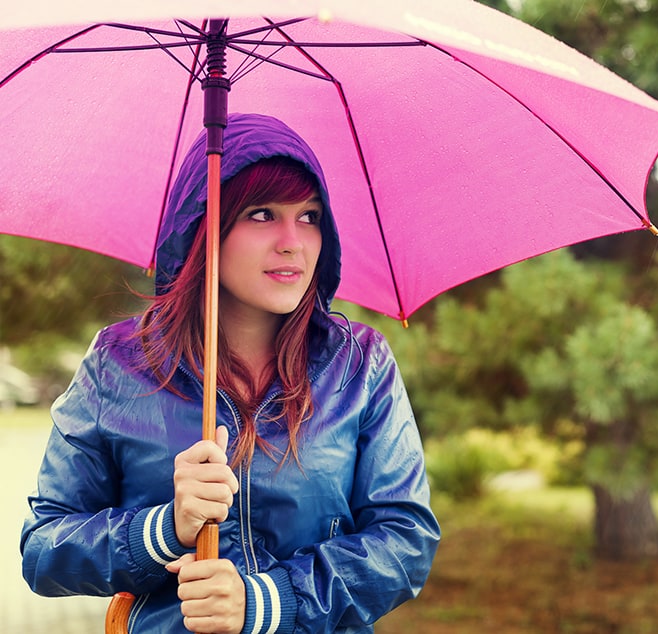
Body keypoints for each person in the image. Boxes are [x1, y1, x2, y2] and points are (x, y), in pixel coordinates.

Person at [21, 113, 440, 633]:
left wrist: (266, 601)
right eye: (263, 214)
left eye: (309, 217)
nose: (293, 241)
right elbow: (44, 549)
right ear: (206, 227)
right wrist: (164, 529)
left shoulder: (359, 365)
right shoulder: (119, 365)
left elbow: (405, 539)